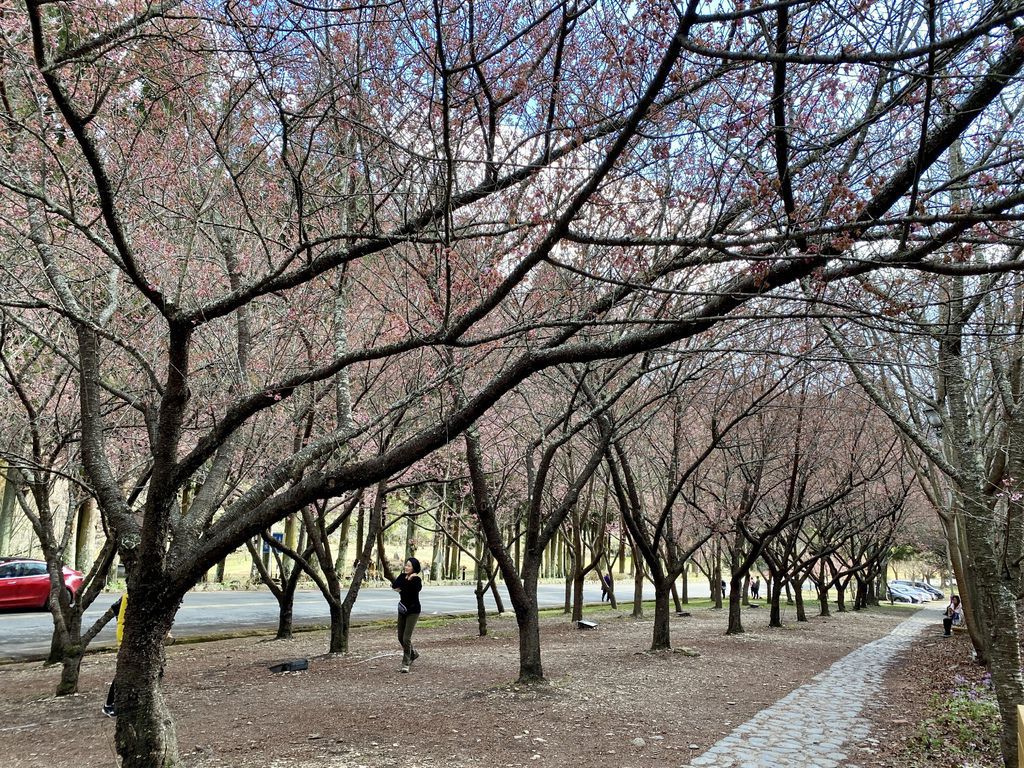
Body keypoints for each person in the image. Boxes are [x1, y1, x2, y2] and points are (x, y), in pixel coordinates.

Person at [392, 557, 423, 673]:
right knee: (400, 637)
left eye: (409, 566)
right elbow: (394, 586)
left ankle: (405, 663)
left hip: (413, 611)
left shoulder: (417, 580)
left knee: (406, 638)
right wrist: (405, 582)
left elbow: (414, 590)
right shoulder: (401, 576)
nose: (406, 567)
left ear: (414, 568)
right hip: (403, 609)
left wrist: (407, 583)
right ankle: (413, 653)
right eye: (406, 565)